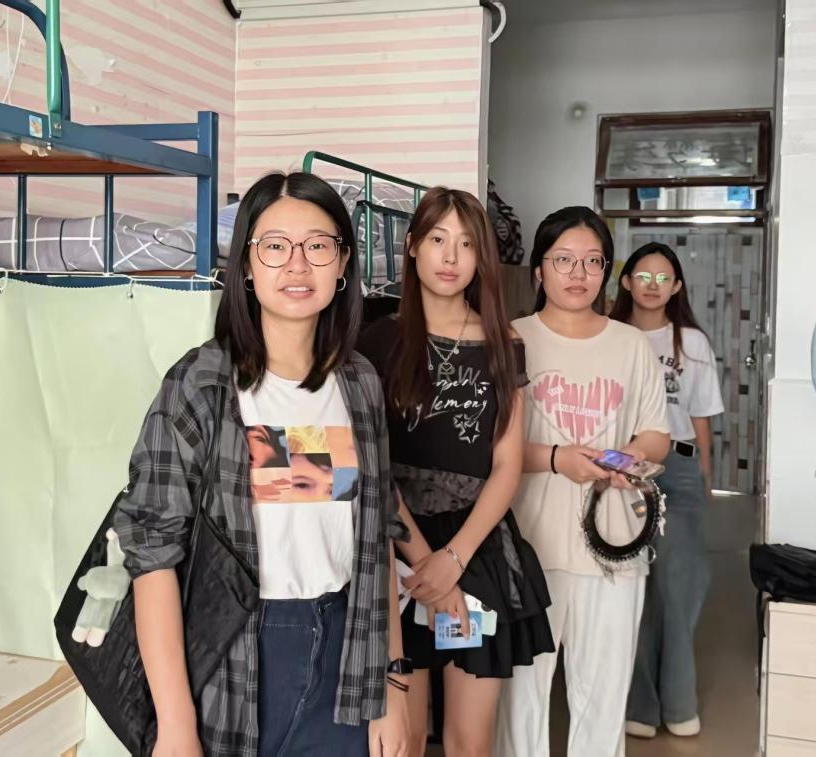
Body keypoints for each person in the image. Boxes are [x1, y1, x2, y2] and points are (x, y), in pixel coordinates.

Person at [113, 172, 410, 757]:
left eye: (318, 245)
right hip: (238, 656)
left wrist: (392, 684)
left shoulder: (359, 383)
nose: (297, 264)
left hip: (347, 648)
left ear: (343, 264)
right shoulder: (201, 383)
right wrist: (175, 723)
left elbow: (377, 541)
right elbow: (152, 553)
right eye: (275, 246)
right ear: (247, 264)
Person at [358, 186, 554, 757]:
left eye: (467, 244)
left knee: (471, 742)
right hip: (397, 546)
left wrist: (454, 560)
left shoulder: (504, 341)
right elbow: (370, 467)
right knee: (403, 739)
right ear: (412, 246)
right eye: (438, 240)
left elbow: (507, 465)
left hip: (477, 546)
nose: (450, 257)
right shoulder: (376, 340)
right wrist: (425, 561)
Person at [495, 207, 670, 757]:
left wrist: (627, 457)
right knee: (520, 697)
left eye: (593, 261)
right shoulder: (509, 339)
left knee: (602, 696)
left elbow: (657, 436)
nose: (579, 273)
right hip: (527, 544)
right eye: (564, 260)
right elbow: (484, 449)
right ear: (539, 269)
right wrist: (555, 459)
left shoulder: (631, 345)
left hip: (612, 544)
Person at [611, 241, 725, 739]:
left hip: (677, 468)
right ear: (626, 281)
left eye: (664, 278)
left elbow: (700, 419)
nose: (653, 285)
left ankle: (679, 702)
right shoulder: (609, 335)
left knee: (679, 585)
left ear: (677, 286)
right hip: (621, 468)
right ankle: (640, 705)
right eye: (644, 276)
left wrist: (704, 476)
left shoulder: (692, 343)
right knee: (631, 584)